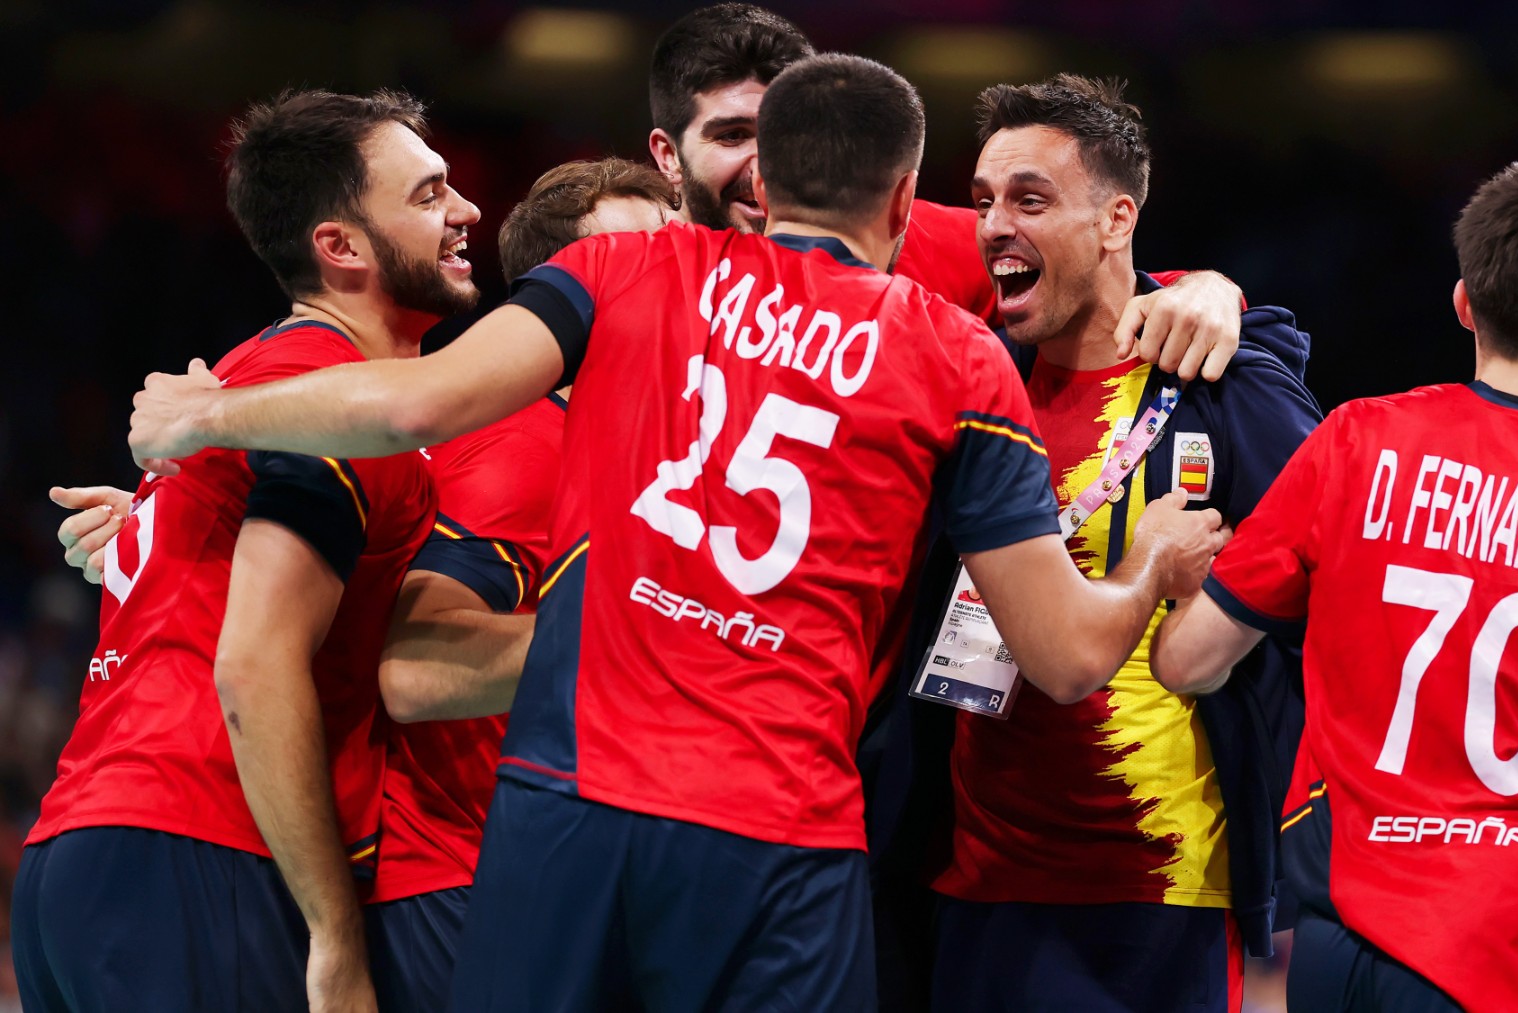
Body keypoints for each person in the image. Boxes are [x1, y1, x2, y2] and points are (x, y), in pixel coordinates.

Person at [122, 54, 1229, 1011]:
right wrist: (1146, 568)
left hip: (570, 809)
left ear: (758, 182)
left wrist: (206, 415)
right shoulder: (958, 354)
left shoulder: (620, 271)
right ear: (904, 205)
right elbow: (1067, 653)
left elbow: (411, 405)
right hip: (780, 832)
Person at [1149, 162, 1518, 1012]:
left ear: (1464, 302)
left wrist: (1160, 575)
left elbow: (1190, 661)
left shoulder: (1355, 444)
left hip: (1336, 951)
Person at [12, 89, 473, 1013]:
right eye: (427, 197)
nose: (464, 212)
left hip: (87, 850)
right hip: (202, 851)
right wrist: (339, 939)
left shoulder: (241, 383)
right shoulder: (324, 397)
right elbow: (255, 668)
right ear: (339, 246)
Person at [923, 74, 1320, 1012]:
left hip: (1159, 888)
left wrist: (1219, 621)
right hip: (977, 883)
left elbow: (1334, 552)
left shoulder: (1218, 382)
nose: (992, 227)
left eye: (1030, 199)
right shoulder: (974, 378)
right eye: (982, 201)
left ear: (1115, 219)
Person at [362, 158, 678, 1013]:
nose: (675, 286)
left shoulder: (618, 440)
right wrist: (659, 633)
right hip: (462, 886)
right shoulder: (526, 447)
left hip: (533, 878)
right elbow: (415, 670)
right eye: (635, 264)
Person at [644, 3, 1247, 381]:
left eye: (781, 132)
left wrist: (1208, 290)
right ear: (668, 156)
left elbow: (1100, 277)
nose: (762, 167)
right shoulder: (625, 266)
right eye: (731, 136)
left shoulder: (923, 237)